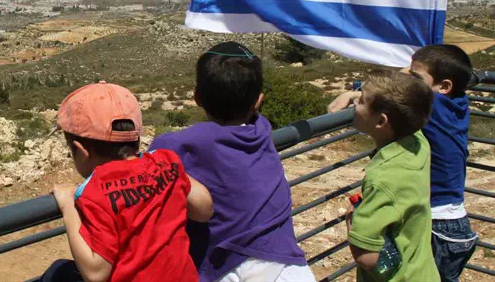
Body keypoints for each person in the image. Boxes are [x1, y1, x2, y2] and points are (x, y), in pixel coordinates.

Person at [150, 42, 314, 282]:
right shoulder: (261, 129)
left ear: (196, 97)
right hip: (289, 268)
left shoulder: (175, 146)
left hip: (230, 271)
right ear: (258, 102)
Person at [329, 44, 477, 281]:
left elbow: (396, 95)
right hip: (454, 220)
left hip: (439, 224)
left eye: (415, 76)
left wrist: (355, 92)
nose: (407, 77)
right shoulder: (456, 102)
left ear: (444, 86)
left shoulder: (432, 105)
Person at [46, 81, 214, 282]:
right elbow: (204, 210)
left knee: (56, 273)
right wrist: (168, 172)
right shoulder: (166, 161)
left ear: (81, 151)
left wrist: (68, 208)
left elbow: (95, 272)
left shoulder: (96, 190)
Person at [347, 71, 439, 281]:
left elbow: (367, 258)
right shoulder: (418, 142)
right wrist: (352, 94)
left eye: (360, 102)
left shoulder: (382, 179)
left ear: (381, 121)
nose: (355, 106)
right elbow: (409, 96)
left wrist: (351, 223)